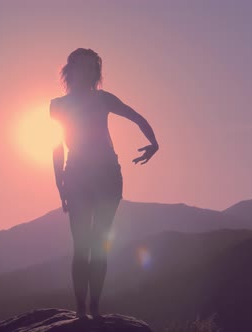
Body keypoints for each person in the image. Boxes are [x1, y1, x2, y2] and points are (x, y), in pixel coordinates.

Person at [50, 48, 159, 319]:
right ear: (69, 70)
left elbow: (137, 117)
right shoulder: (58, 105)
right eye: (80, 66)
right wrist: (59, 184)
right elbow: (56, 147)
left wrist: (154, 143)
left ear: (95, 73)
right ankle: (81, 311)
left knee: (98, 246)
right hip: (76, 176)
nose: (85, 72)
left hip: (108, 176)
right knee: (81, 247)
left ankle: (94, 310)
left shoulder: (103, 99)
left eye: (91, 68)